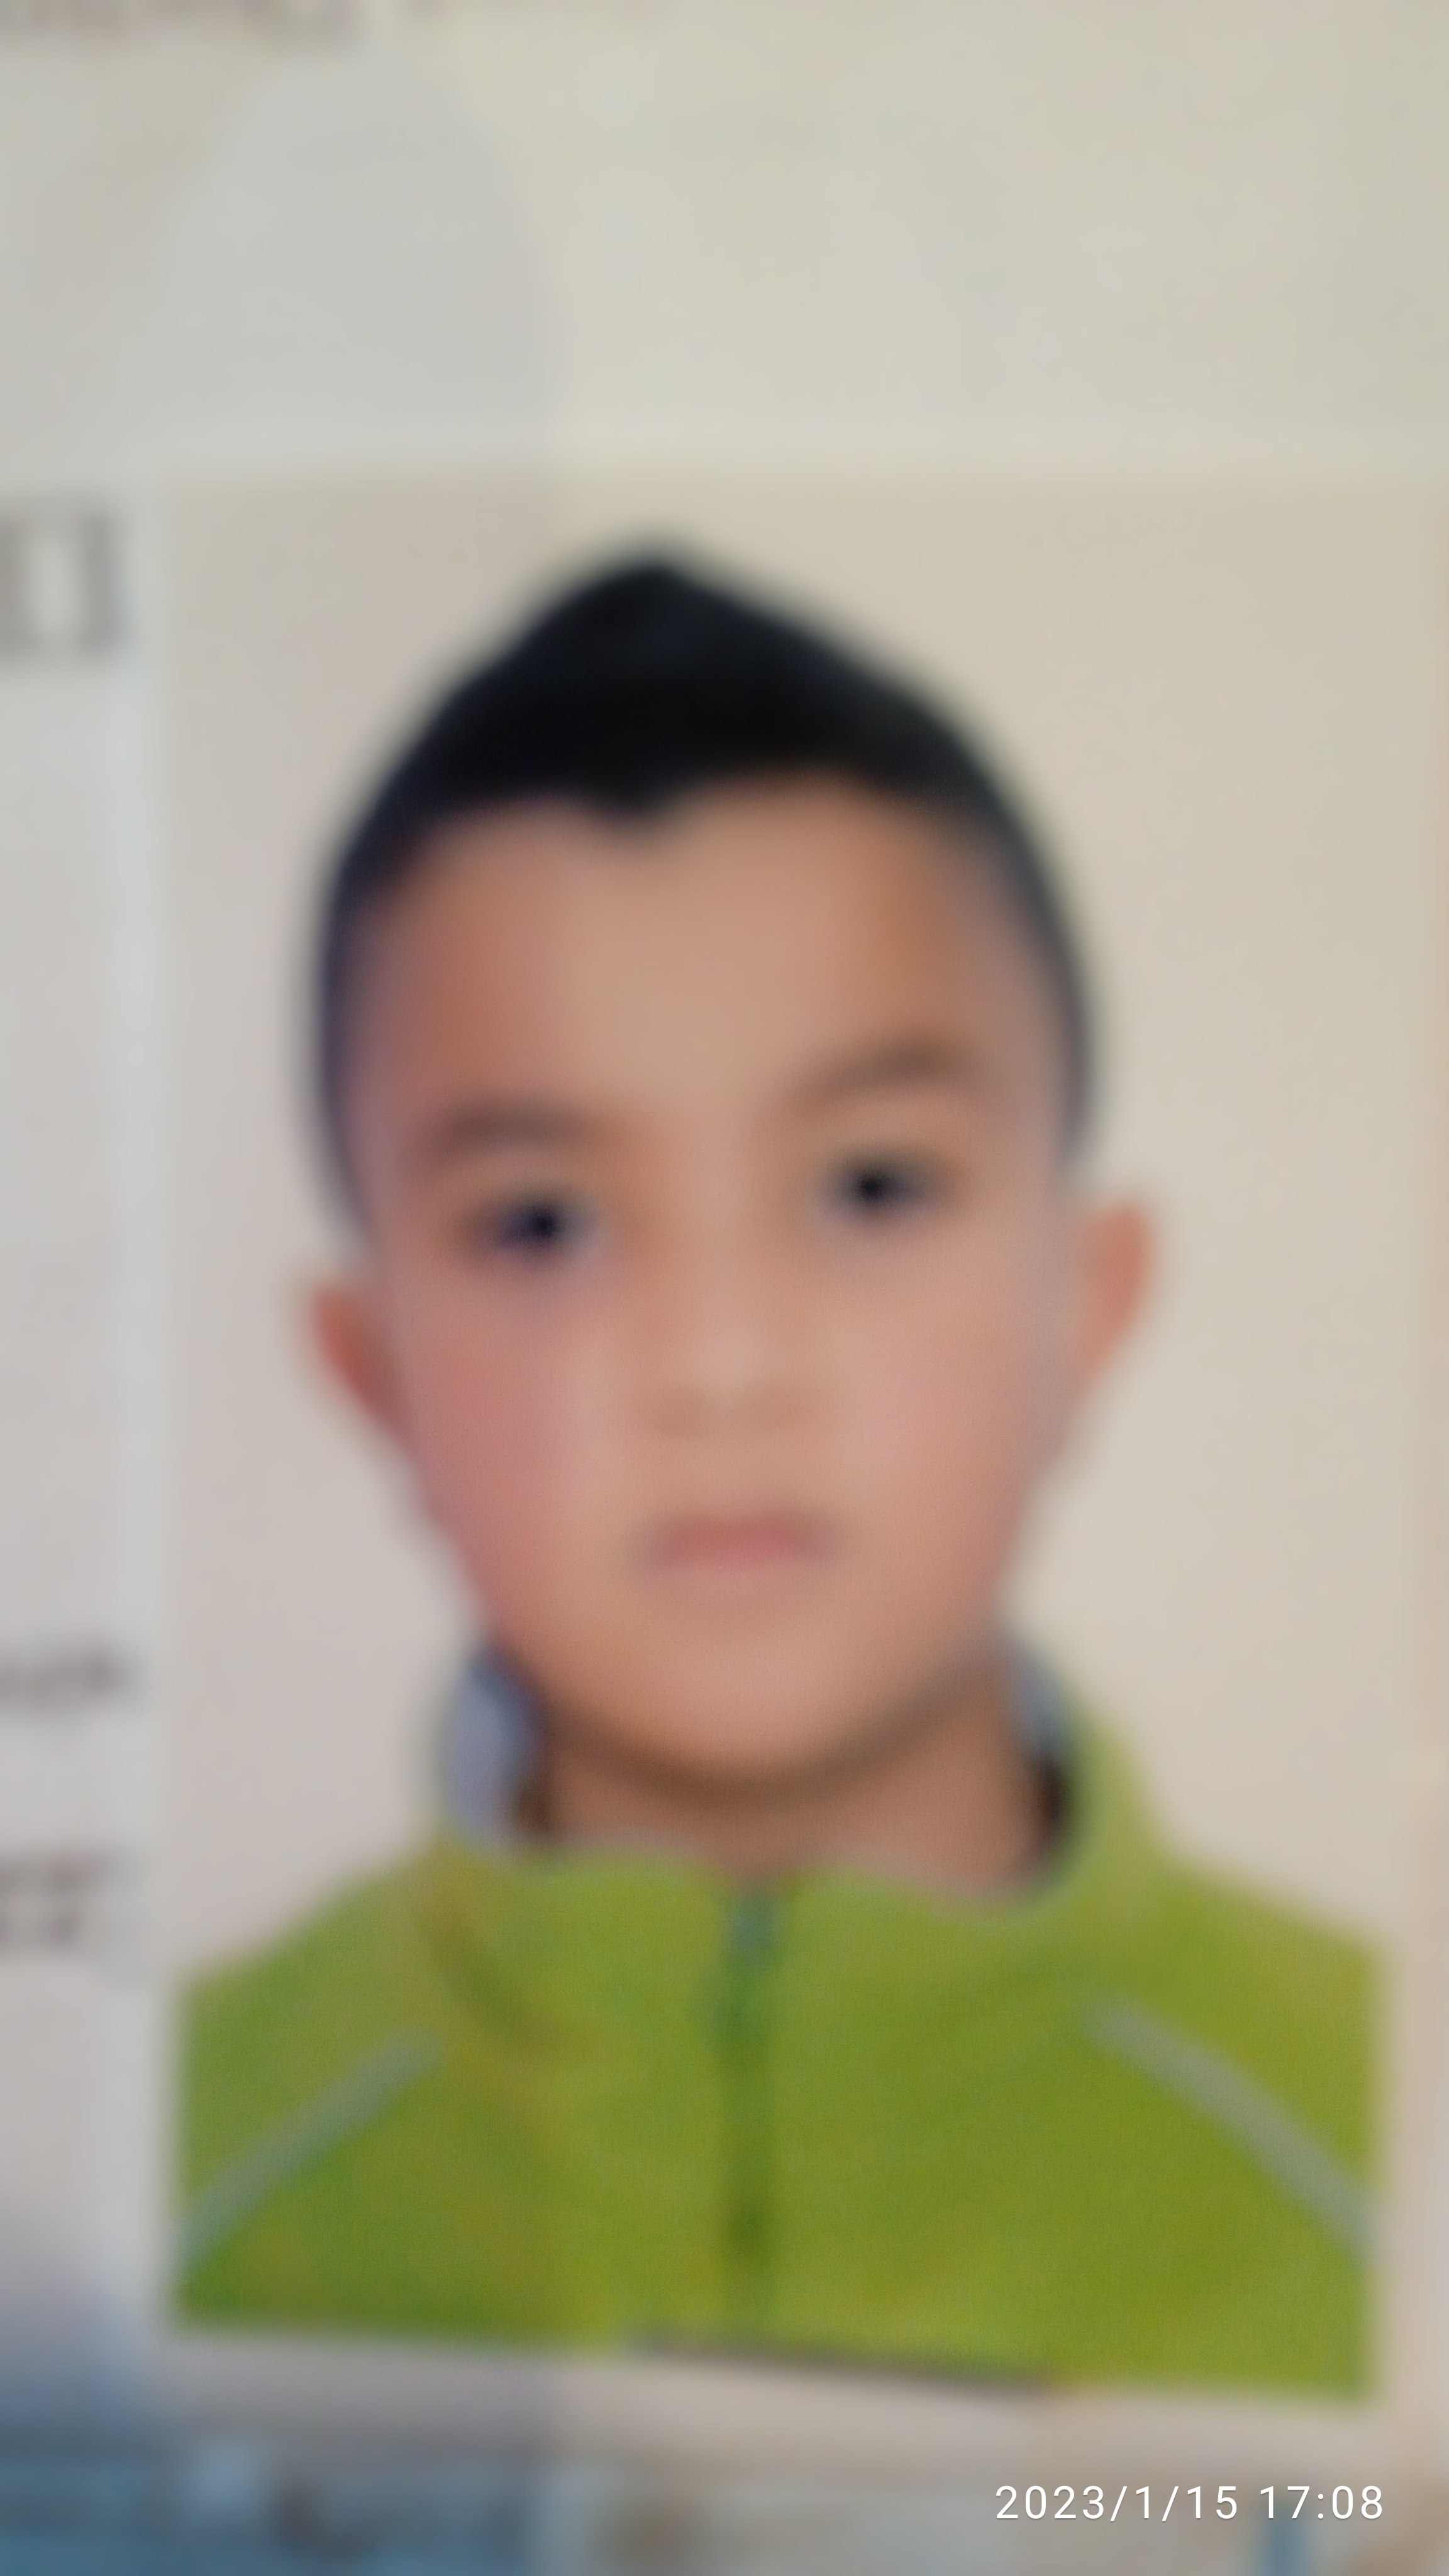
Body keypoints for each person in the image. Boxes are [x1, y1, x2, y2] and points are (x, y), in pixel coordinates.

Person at [178, 557, 1375, 2394]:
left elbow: (1164, 2511)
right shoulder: (154, 2179)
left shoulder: (1379, 2138)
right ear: (371, 1376)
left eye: (873, 1187)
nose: (721, 1367)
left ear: (1088, 1301)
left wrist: (1146, 2515)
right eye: (544, 1223)